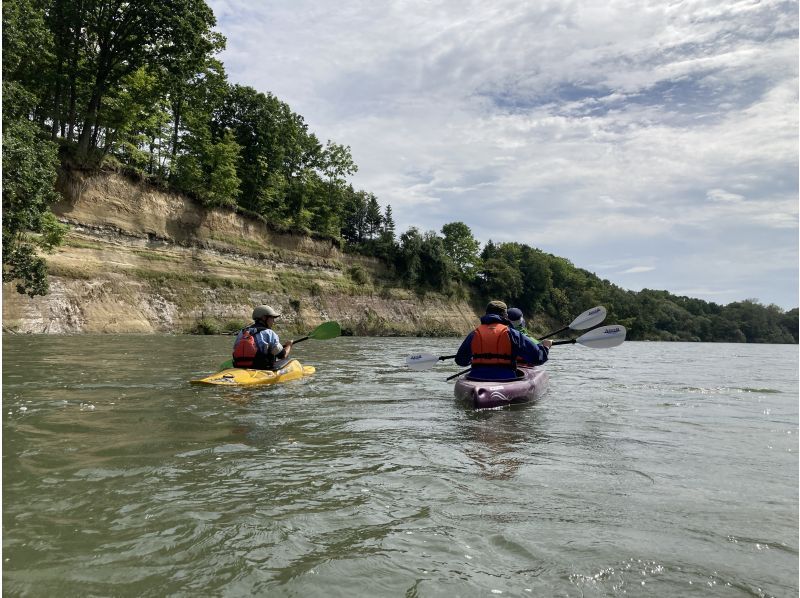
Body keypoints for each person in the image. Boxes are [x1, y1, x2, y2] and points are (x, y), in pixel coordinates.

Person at [455, 300, 552, 380]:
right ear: (505, 315)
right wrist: (545, 347)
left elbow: (460, 361)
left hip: (476, 378)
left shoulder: (474, 333)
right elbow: (538, 358)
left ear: (486, 314)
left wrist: (475, 359)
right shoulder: (512, 334)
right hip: (505, 379)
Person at [232, 305, 293, 369]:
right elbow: (282, 355)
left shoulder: (242, 332)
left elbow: (235, 350)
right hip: (261, 369)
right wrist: (289, 345)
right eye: (272, 318)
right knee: (288, 361)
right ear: (264, 318)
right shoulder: (269, 333)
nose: (273, 321)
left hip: (239, 367)